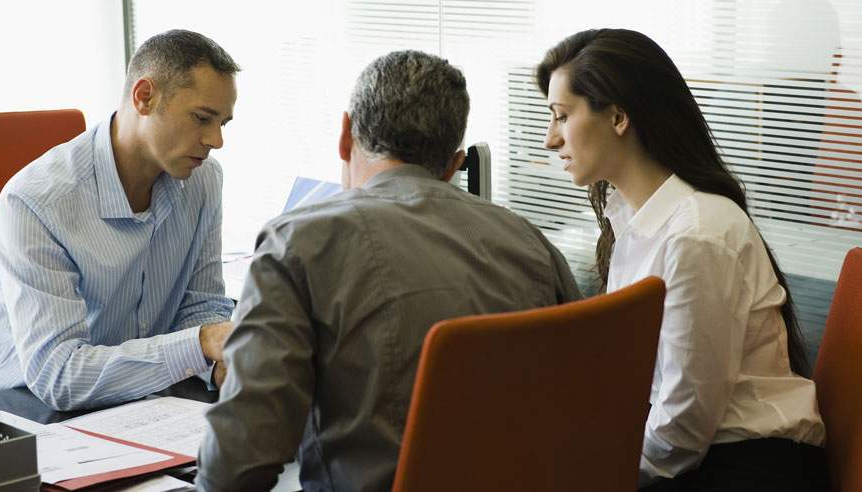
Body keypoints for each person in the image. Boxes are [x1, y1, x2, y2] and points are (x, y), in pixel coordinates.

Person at [196, 50, 582, 492]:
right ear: (454, 166)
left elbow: (238, 466)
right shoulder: (531, 243)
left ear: (345, 137)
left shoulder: (297, 244)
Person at [536, 29, 828, 490]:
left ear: (617, 117)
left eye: (561, 116)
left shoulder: (695, 234)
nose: (551, 139)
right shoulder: (633, 221)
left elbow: (684, 426)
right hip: (704, 455)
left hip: (747, 466)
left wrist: (604, 474)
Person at [0, 29, 239, 411]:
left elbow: (201, 308)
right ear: (144, 97)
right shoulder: (36, 201)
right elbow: (59, 375)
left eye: (224, 123)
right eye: (202, 118)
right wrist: (201, 344)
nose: (216, 140)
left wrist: (220, 365)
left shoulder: (203, 180)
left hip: (141, 401)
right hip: (24, 409)